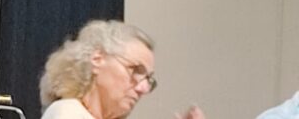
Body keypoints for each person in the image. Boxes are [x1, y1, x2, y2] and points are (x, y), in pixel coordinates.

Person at [39, 20, 204, 119]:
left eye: (148, 79)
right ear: (97, 59)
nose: (143, 88)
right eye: (135, 70)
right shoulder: (67, 112)